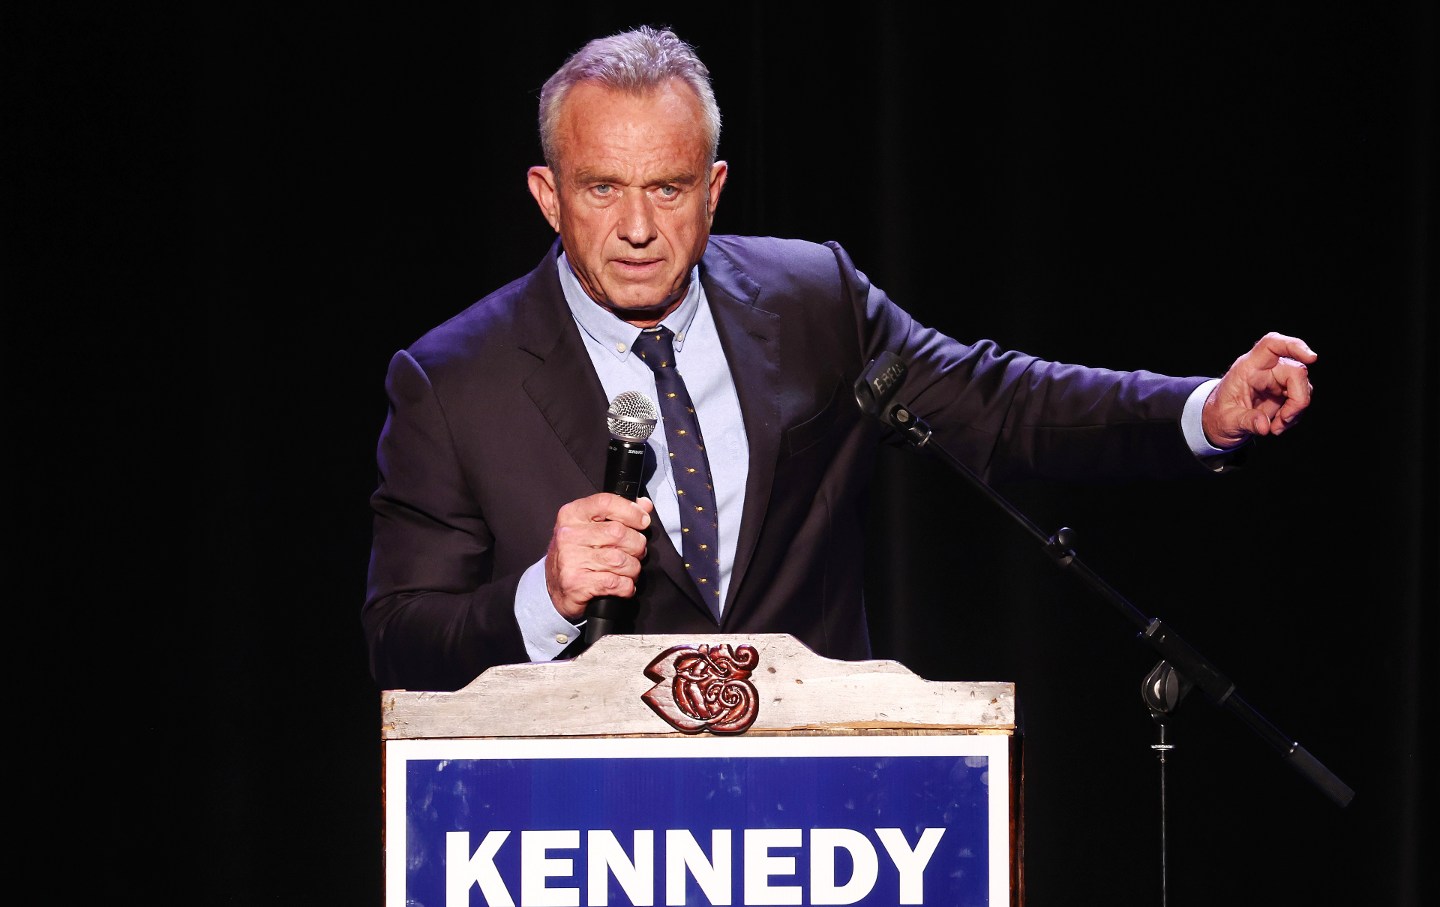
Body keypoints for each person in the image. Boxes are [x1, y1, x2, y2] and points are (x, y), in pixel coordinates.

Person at [362, 25, 1316, 693]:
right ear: (547, 194)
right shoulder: (453, 381)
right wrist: (544, 594)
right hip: (592, 824)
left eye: (669, 186)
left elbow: (1001, 403)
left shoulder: (811, 299)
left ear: (715, 187)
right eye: (603, 188)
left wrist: (1203, 410)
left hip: (816, 802)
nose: (640, 227)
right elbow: (401, 640)